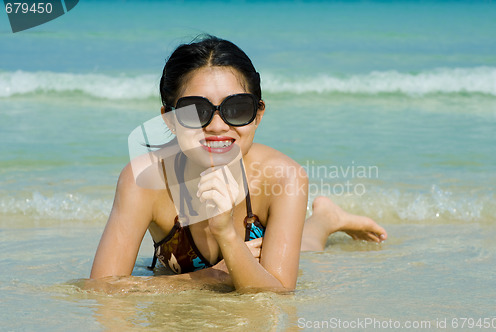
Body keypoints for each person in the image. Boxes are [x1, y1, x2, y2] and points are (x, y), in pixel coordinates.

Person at [90, 35, 387, 293]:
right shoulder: (145, 178)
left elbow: (279, 292)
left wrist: (227, 236)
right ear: (169, 120)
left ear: (257, 115)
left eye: (237, 108)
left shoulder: (284, 177)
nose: (218, 126)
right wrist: (211, 276)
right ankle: (325, 218)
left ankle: (325, 219)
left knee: (305, 247)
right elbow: (100, 289)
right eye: (196, 111)